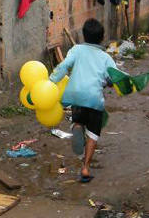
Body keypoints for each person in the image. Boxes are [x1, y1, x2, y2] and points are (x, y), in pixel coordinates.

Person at [49, 19, 117, 183]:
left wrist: (50, 82)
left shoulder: (76, 50)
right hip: (94, 99)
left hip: (75, 96)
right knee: (93, 134)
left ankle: (77, 127)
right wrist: (109, 82)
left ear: (84, 35)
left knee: (79, 120)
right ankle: (85, 167)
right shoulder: (106, 58)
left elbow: (64, 66)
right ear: (102, 37)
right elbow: (113, 78)